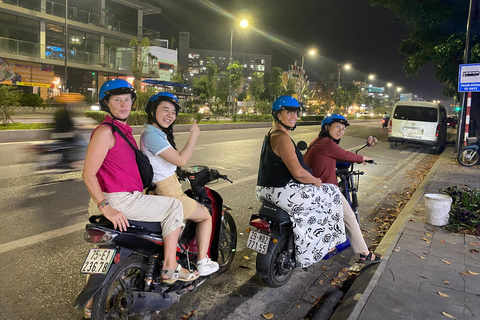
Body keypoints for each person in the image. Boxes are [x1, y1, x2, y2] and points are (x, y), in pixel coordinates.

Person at [82, 80, 198, 318]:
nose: (123, 104)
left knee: (104, 251)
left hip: (119, 198)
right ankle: (170, 267)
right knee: (174, 205)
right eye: (117, 100)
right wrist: (108, 208)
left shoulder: (122, 131)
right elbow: (88, 174)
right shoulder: (106, 132)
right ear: (106, 103)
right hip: (118, 200)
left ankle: (91, 300)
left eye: (127, 99)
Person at [255, 95, 347, 268]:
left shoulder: (271, 134)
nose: (294, 117)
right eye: (289, 112)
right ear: (277, 114)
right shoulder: (282, 138)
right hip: (282, 191)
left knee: (317, 201)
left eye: (296, 113)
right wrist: (316, 181)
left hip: (265, 189)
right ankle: (326, 244)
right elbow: (298, 173)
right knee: (332, 192)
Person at [140, 92, 219, 276]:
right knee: (205, 215)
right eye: (165, 110)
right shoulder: (152, 134)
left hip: (161, 188)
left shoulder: (155, 133)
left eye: (173, 112)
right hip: (169, 192)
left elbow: (165, 164)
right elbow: (181, 160)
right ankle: (202, 262)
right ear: (152, 111)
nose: (170, 115)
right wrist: (194, 135)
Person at [304, 114, 383, 263]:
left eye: (343, 129)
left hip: (313, 188)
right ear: (327, 127)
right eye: (337, 127)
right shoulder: (327, 143)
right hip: (326, 189)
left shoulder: (317, 142)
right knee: (350, 217)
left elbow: (333, 156)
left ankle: (331, 243)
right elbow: (345, 154)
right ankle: (364, 254)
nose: (341, 131)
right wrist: (364, 158)